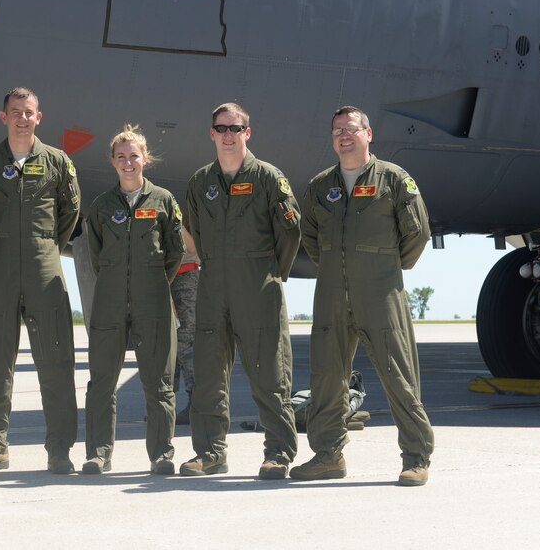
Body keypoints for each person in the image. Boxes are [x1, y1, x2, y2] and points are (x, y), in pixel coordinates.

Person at [290, 106, 434, 486]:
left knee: (397, 374)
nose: (344, 136)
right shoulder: (321, 186)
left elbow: (416, 234)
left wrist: (381, 268)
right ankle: (327, 456)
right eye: (337, 130)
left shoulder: (394, 179)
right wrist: (342, 267)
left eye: (351, 129)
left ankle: (416, 457)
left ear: (368, 134)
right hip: (332, 292)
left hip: (381, 291)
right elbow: (310, 236)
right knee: (326, 376)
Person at [180, 102, 300, 479]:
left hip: (258, 287)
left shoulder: (267, 177)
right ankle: (210, 452)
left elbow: (290, 233)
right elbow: (195, 233)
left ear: (248, 132)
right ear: (211, 133)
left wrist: (267, 273)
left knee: (269, 374)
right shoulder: (200, 183)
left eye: (236, 128)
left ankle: (278, 452)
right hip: (213, 287)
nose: (229, 135)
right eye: (222, 128)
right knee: (209, 375)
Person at [0, 87, 81, 474]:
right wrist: (1, 247)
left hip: (43, 266)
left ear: (38, 117)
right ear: (3, 117)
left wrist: (42, 247)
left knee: (56, 359)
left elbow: (70, 212)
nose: (21, 118)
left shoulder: (57, 162)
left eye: (28, 112)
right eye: (15, 112)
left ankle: (60, 449)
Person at [83, 124, 186, 475]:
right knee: (101, 383)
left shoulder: (164, 201)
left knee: (159, 383)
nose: (129, 163)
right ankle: (98, 453)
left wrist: (152, 283)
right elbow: (96, 255)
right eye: (121, 157)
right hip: (109, 303)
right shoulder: (101, 207)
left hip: (153, 302)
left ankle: (161, 454)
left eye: (134, 156)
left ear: (146, 159)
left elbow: (175, 253)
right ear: (113, 161)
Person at [171, 224, 199, 425]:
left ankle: (195, 405)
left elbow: (192, 249)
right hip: (162, 280)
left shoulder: (179, 216)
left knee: (186, 345)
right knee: (166, 347)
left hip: (185, 278)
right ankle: (166, 406)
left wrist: (176, 223)